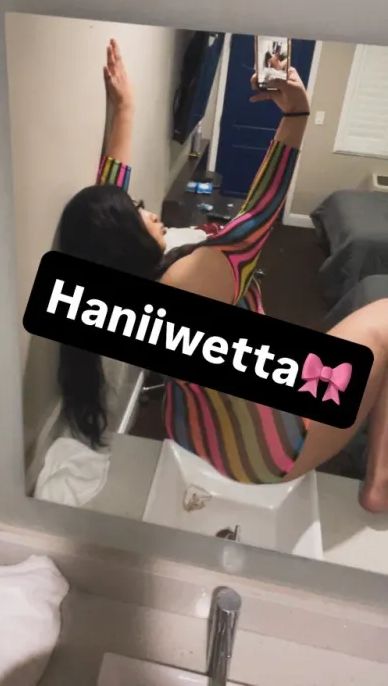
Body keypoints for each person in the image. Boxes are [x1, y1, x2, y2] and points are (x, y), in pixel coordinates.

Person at [58, 39, 388, 514]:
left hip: (192, 429)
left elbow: (105, 208)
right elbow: (259, 212)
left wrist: (125, 108)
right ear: (126, 239)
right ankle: (379, 481)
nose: (150, 212)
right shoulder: (192, 277)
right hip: (268, 449)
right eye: (139, 212)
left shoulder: (107, 290)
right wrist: (296, 117)